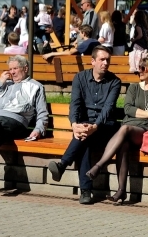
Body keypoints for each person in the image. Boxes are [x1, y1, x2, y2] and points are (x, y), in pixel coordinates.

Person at [85, 56, 148, 204]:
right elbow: (128, 109)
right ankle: (121, 191)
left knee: (124, 129)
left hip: (146, 131)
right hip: (129, 128)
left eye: (144, 67)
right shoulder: (134, 87)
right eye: (139, 67)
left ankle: (99, 165)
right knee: (123, 144)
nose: (140, 70)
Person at [47, 47, 121, 205]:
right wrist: (74, 125)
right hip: (83, 127)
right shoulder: (80, 78)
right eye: (102, 59)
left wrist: (95, 126)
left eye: (108, 60)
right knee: (84, 142)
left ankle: (64, 166)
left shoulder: (114, 81)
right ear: (93, 61)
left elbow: (108, 109)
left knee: (85, 136)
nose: (106, 63)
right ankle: (85, 192)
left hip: (105, 127)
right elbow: (75, 103)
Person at [0, 56, 48, 194]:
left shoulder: (36, 86)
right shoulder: (5, 85)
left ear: (25, 68)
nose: (12, 72)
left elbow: (43, 112)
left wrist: (38, 129)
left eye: (15, 68)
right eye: (10, 69)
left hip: (15, 122)